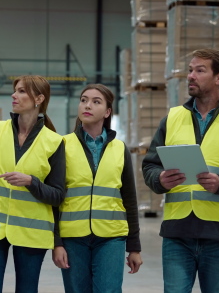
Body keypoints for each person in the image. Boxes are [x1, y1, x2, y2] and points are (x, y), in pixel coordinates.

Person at [142, 49, 219, 293]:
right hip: (177, 233)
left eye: (200, 71)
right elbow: (150, 165)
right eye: (190, 70)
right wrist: (159, 179)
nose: (191, 76)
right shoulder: (172, 119)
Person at [0, 75, 66, 293]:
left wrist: (31, 182)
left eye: (21, 91)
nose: (14, 95)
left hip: (32, 231)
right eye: (15, 90)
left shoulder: (54, 142)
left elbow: (57, 196)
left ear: (39, 98)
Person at [52, 84, 143, 293]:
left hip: (111, 238)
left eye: (96, 101)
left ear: (108, 111)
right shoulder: (62, 145)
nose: (87, 105)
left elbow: (129, 199)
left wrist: (134, 247)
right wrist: (56, 242)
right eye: (83, 100)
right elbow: (55, 199)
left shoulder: (120, 149)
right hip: (73, 238)